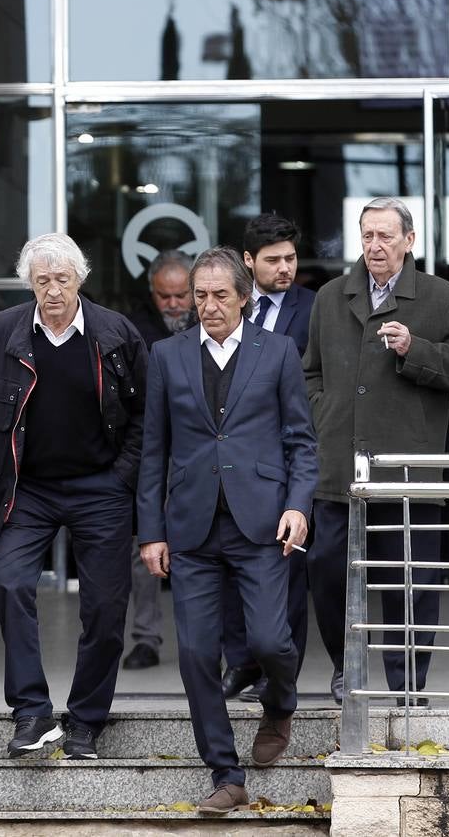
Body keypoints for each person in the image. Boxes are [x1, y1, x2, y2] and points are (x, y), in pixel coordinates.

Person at [0, 233, 146, 761]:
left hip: (100, 486)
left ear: (80, 279)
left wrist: (123, 475)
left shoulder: (115, 333)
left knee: (104, 607)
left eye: (62, 280)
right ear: (29, 284)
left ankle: (85, 719)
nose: (53, 291)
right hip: (27, 487)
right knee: (10, 583)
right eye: (42, 281)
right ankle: (31, 712)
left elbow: (146, 412)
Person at [137, 246, 318, 814]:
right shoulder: (167, 356)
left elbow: (301, 443)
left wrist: (298, 506)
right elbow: (153, 451)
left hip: (262, 521)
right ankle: (225, 773)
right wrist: (151, 532)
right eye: (201, 296)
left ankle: (281, 703)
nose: (209, 306)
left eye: (221, 296)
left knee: (269, 640)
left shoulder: (280, 351)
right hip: (190, 528)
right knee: (194, 652)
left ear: (245, 297)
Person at [304, 197, 449, 705]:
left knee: (413, 581)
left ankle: (408, 684)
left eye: (385, 236)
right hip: (340, 465)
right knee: (329, 570)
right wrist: (324, 410)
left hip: (409, 466)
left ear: (409, 240)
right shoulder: (331, 297)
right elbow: (309, 370)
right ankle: (346, 668)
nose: (375, 246)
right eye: (367, 236)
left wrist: (414, 349)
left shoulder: (441, 298)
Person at [221, 213, 317, 702]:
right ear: (247, 261)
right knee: (232, 564)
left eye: (291, 258)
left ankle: (281, 671)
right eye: (273, 260)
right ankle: (239, 661)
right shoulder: (226, 307)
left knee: (287, 567)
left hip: (285, 456)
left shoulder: (314, 307)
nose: (285, 268)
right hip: (235, 457)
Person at [122, 248, 194, 672]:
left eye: (180, 295)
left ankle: (202, 642)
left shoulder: (214, 323)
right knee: (143, 545)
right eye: (163, 296)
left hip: (201, 450)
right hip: (148, 449)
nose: (172, 304)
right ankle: (145, 638)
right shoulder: (133, 330)